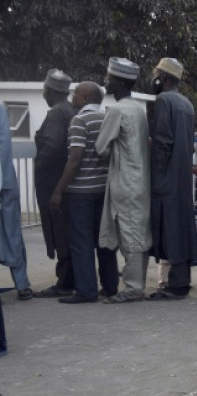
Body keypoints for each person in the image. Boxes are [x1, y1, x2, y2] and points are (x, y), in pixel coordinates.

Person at [51, 82, 119, 303]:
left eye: (75, 94)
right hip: (105, 189)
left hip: (81, 191)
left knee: (81, 241)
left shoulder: (79, 121)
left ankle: (86, 290)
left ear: (85, 97)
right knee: (104, 239)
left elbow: (75, 158)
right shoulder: (108, 118)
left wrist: (59, 190)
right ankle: (110, 286)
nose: (72, 97)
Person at [96, 57, 152, 304]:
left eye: (109, 78)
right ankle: (135, 284)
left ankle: (133, 288)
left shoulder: (116, 111)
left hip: (125, 183)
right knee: (138, 233)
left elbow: (100, 147)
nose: (106, 82)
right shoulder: (138, 109)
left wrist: (112, 154)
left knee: (130, 237)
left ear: (118, 82)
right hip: (140, 182)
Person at [148, 57, 197, 300]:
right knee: (180, 224)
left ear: (164, 78)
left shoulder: (163, 101)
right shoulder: (186, 104)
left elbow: (163, 143)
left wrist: (155, 174)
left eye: (156, 74)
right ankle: (181, 281)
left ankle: (175, 285)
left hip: (166, 176)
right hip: (181, 176)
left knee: (170, 228)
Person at [33, 68, 77, 298]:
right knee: (65, 231)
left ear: (49, 90)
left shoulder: (56, 114)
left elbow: (51, 148)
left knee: (60, 232)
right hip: (66, 183)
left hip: (55, 184)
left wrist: (38, 165)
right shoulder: (70, 110)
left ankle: (65, 281)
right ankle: (69, 277)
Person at [0, 103, 32, 301]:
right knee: (12, 233)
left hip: (4, 182)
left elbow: (3, 145)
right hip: (6, 180)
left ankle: (22, 284)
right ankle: (22, 284)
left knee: (12, 233)